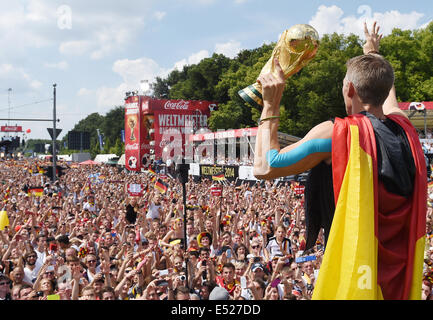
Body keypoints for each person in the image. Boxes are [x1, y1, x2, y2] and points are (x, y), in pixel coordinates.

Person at [253, 22, 427, 300]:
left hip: (356, 278)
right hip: (399, 283)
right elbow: (388, 97)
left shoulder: (337, 136)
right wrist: (373, 55)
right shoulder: (405, 128)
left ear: (349, 90)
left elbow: (265, 166)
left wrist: (270, 105)